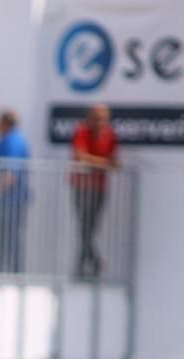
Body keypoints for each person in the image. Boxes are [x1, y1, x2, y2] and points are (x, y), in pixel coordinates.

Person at [69, 103, 118, 279]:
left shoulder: (109, 135)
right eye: (97, 118)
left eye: (103, 119)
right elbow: (80, 157)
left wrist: (95, 162)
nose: (100, 122)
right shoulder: (82, 131)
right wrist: (103, 163)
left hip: (99, 188)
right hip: (81, 187)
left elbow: (114, 163)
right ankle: (90, 264)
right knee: (84, 228)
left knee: (90, 229)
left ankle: (85, 265)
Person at [0, 110, 30, 274]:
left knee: (11, 238)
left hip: (12, 200)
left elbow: (10, 173)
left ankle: (14, 274)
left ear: (5, 123)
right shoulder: (3, 140)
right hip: (5, 199)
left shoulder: (14, 141)